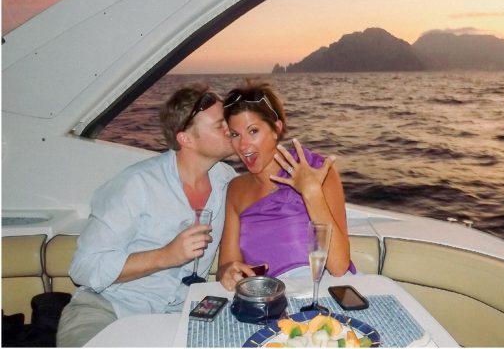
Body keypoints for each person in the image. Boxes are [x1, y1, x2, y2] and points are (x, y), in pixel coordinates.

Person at [56, 85, 236, 347]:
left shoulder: (227, 181)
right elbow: (84, 268)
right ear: (186, 139)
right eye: (220, 125)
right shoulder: (135, 184)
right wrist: (166, 256)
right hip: (109, 310)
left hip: (178, 317)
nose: (229, 130)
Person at [217, 81, 353, 288]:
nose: (243, 146)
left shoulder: (317, 170)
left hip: (324, 289)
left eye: (253, 131)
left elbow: (338, 266)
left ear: (276, 128)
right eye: (235, 135)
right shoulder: (236, 189)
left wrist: (311, 192)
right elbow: (225, 265)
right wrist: (228, 272)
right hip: (267, 296)